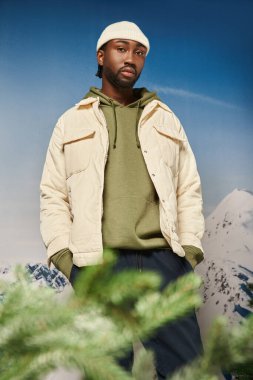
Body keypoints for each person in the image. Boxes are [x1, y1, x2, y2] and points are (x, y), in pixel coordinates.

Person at [40, 21, 205, 379]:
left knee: (190, 371)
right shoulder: (70, 122)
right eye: (121, 48)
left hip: (164, 262)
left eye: (139, 52)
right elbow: (52, 194)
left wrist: (188, 253)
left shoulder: (167, 120)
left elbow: (188, 188)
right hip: (100, 265)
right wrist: (68, 261)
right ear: (101, 56)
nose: (131, 58)